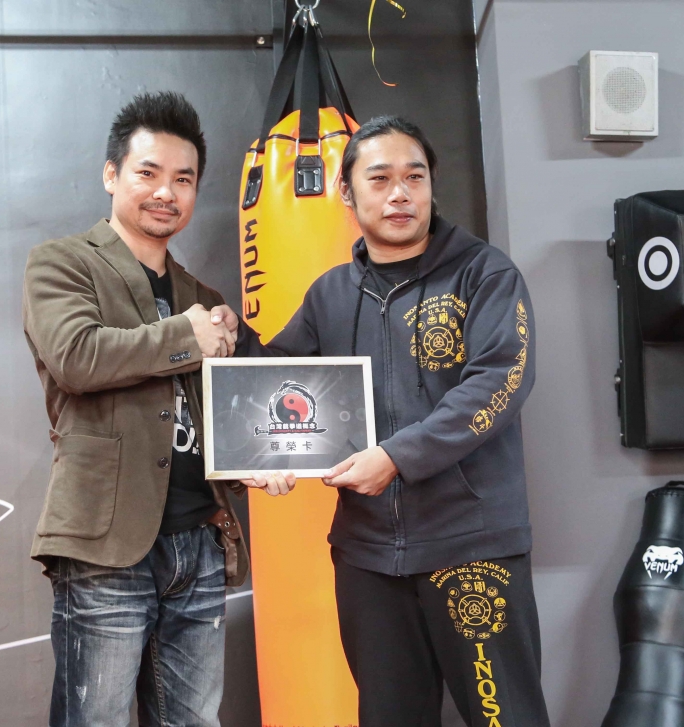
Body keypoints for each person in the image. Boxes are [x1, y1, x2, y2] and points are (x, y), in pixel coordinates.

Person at [230, 116, 551, 726]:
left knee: (504, 716)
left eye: (414, 177)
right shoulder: (330, 294)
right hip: (368, 556)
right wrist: (232, 350)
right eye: (379, 179)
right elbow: (277, 380)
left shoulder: (485, 275)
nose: (400, 194)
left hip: (471, 546)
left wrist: (398, 457)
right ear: (346, 193)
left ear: (431, 185)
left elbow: (500, 380)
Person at [22, 91, 287, 727]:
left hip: (200, 543)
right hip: (105, 544)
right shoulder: (63, 263)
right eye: (148, 172)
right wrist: (186, 336)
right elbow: (77, 357)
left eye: (183, 179)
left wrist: (257, 455)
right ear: (111, 174)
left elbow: (224, 410)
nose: (166, 192)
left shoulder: (203, 296)